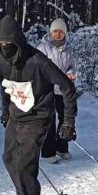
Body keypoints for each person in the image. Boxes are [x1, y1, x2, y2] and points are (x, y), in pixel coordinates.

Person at [0, 15, 77, 195]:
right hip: (16, 115)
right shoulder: (2, 61)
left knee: (26, 167)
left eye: (8, 43)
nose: (4, 48)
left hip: (38, 117)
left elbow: (67, 88)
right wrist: (5, 111)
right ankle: (23, 192)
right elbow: (4, 88)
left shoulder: (38, 61)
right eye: (0, 44)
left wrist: (68, 122)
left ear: (18, 41)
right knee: (9, 158)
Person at [37, 18, 77, 163]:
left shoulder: (68, 48)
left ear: (65, 33)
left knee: (65, 118)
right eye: (55, 31)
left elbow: (72, 66)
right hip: (47, 90)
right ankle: (48, 152)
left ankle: (62, 147)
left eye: (60, 31)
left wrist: (71, 73)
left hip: (64, 90)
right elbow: (37, 68)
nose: (58, 34)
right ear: (50, 32)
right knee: (49, 120)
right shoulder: (43, 48)